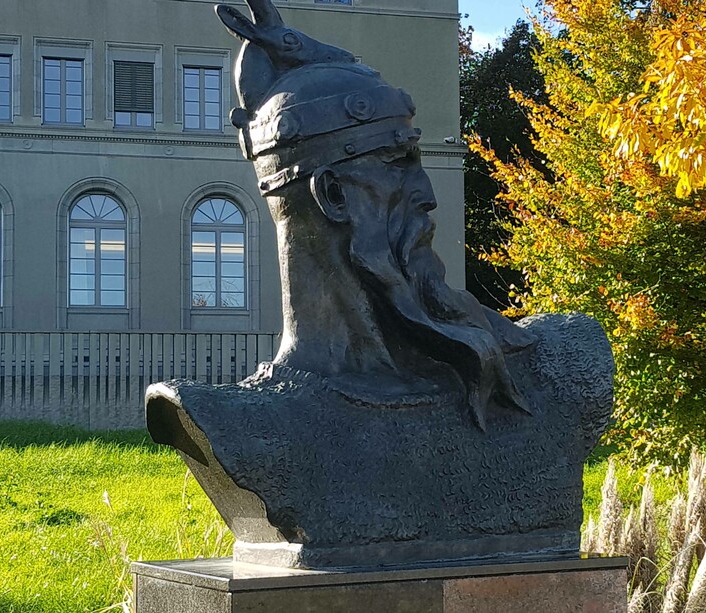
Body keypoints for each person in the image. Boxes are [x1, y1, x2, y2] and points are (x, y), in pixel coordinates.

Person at [146, 0, 613, 569]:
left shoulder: (556, 368)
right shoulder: (234, 424)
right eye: (398, 162)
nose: (427, 193)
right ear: (333, 196)